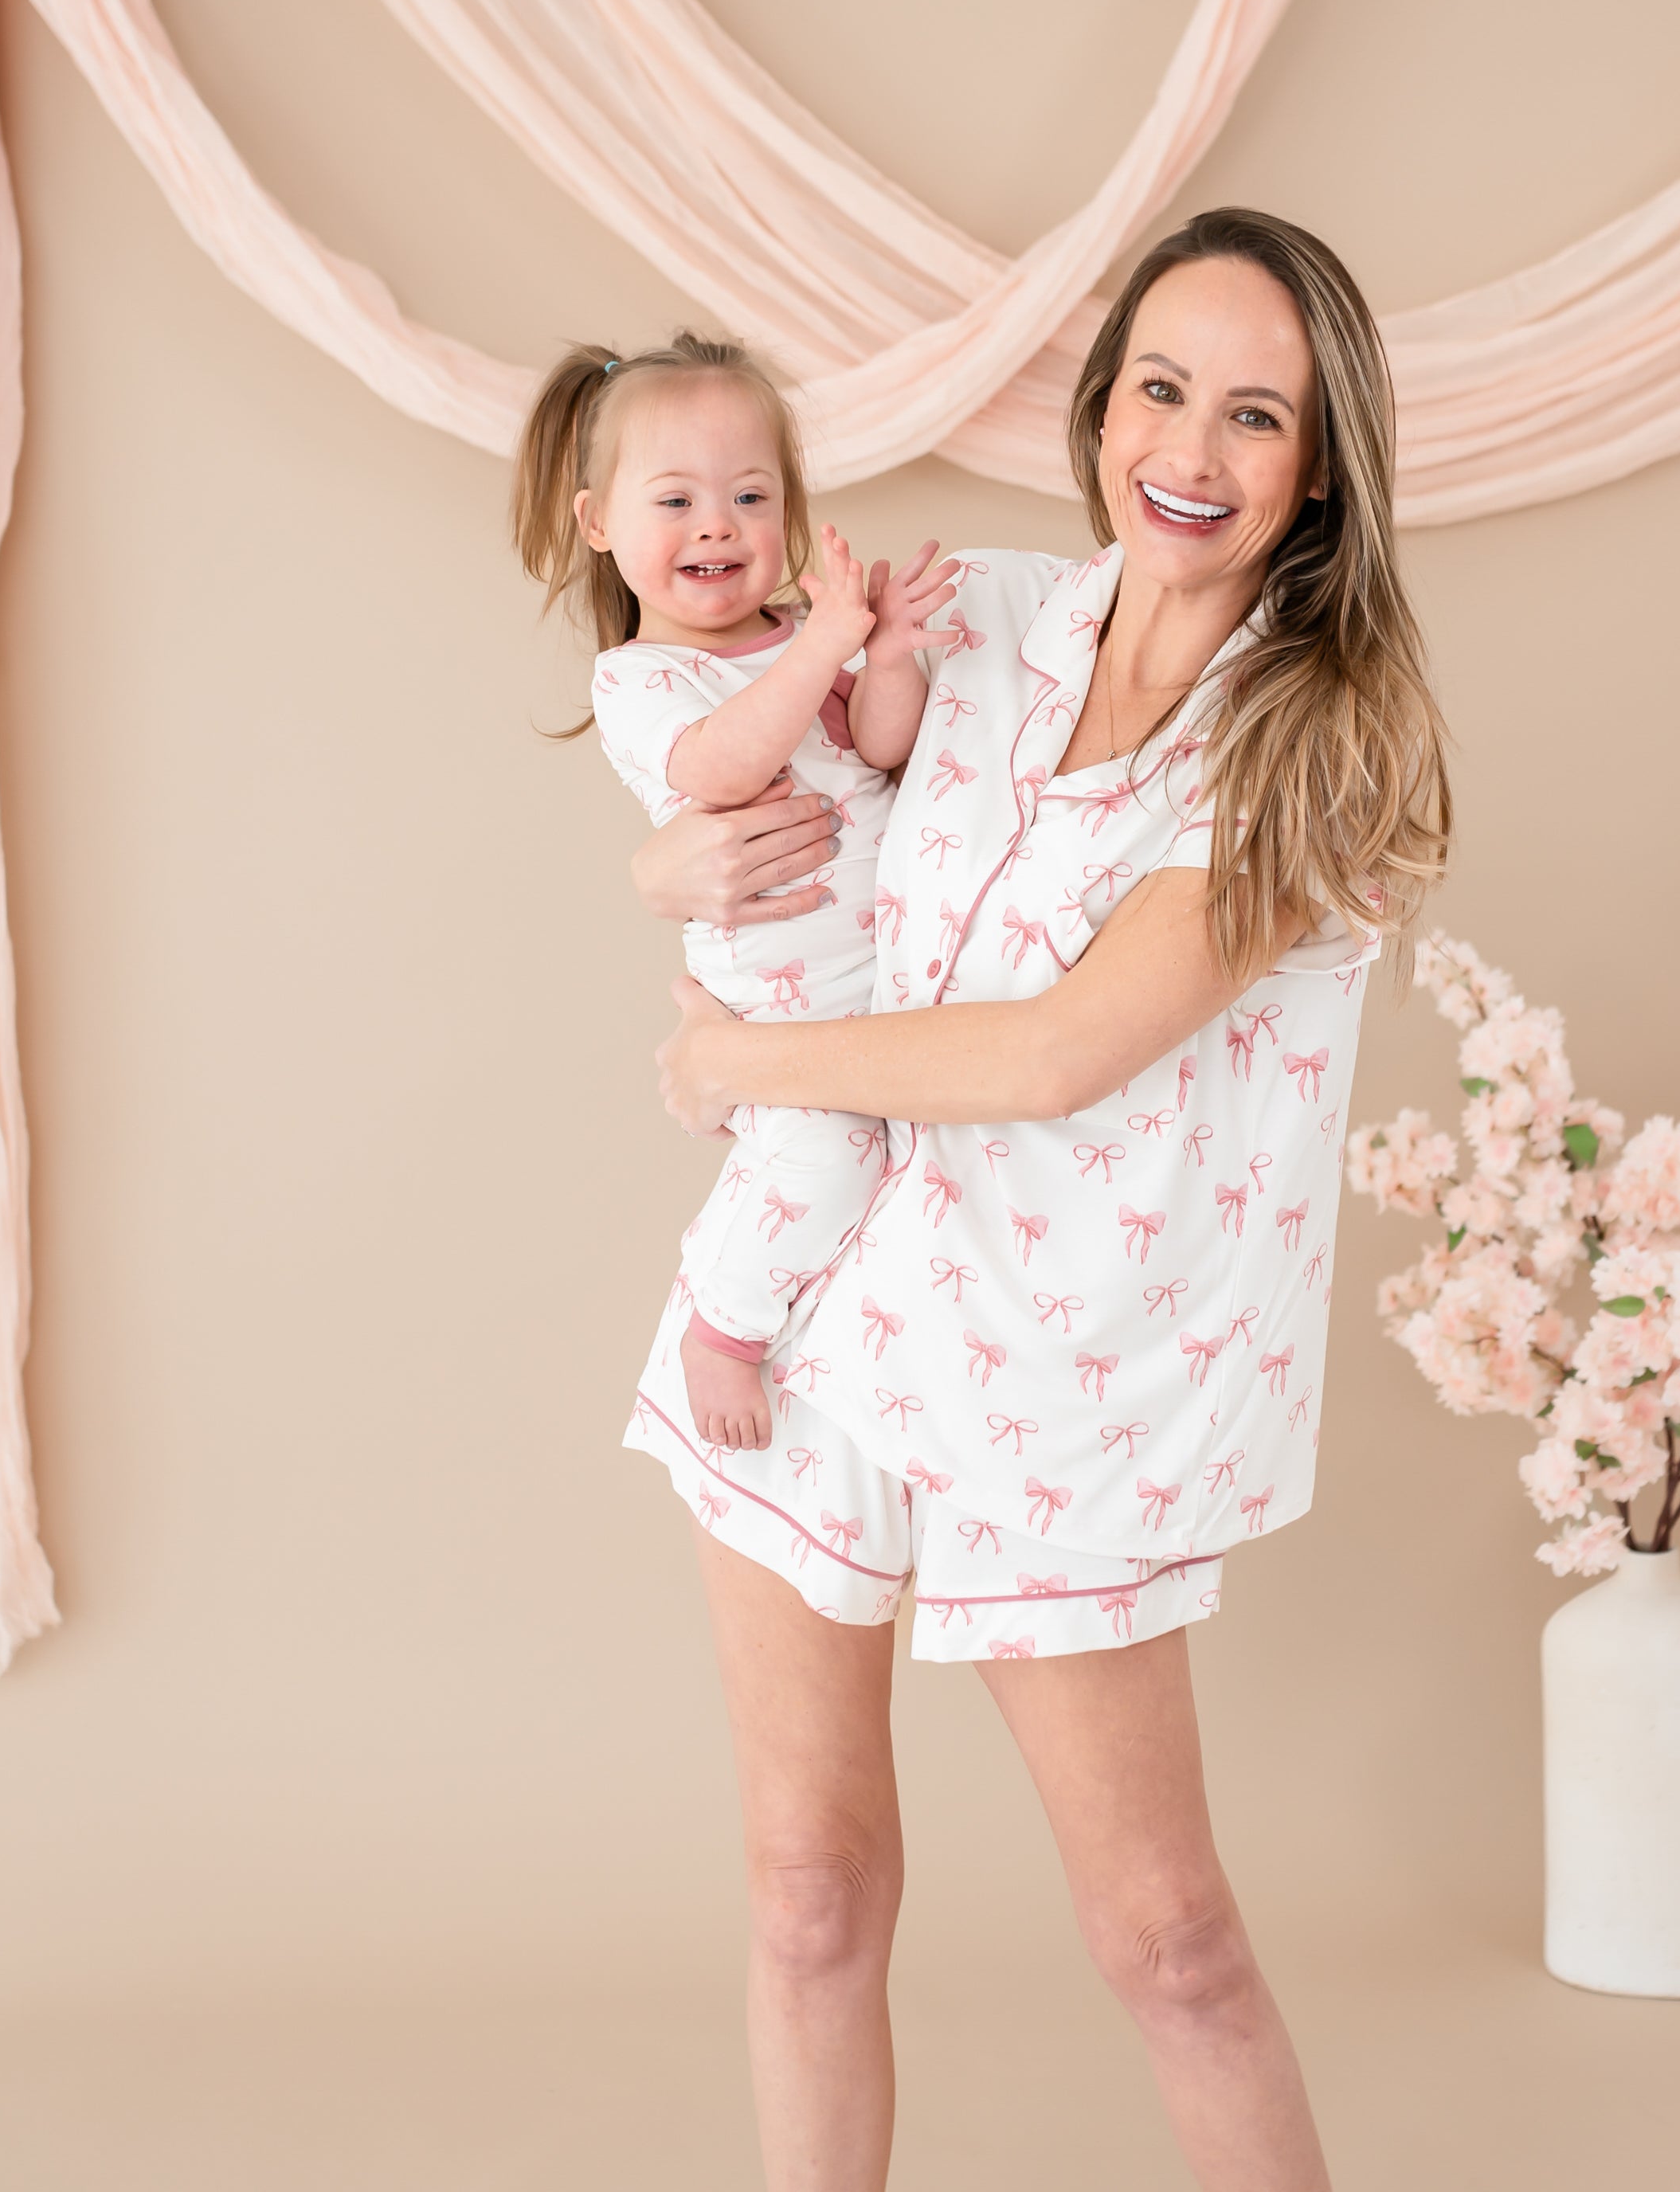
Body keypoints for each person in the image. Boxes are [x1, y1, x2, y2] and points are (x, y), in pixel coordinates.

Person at [634, 211, 1450, 2190]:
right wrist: (662, 886)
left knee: (1168, 1946)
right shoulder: (975, 621)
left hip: (1073, 1392)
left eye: (1257, 414)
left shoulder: (1310, 759)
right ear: (1101, 411)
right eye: (1161, 387)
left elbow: (1052, 1056)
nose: (1193, 442)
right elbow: (719, 787)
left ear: (1319, 469)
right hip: (817, 1324)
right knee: (811, 1892)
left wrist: (725, 1065)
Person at [513, 332, 962, 1457]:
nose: (717, 523)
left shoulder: (804, 644)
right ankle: (723, 1325)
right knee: (822, 1157)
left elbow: (881, 745)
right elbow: (723, 767)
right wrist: (821, 645)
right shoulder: (645, 680)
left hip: (888, 980)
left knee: (901, 1165)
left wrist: (893, 653)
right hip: (789, 995)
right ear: (598, 523)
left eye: (750, 494)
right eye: (677, 499)